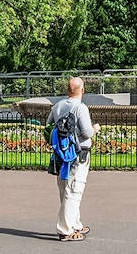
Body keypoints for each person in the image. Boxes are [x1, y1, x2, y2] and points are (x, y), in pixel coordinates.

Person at [51, 77, 99, 242]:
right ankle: (65, 229)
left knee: (65, 188)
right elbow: (87, 132)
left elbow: (49, 126)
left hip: (62, 154)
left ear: (67, 90)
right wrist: (95, 129)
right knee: (74, 190)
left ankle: (75, 223)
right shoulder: (81, 108)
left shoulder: (58, 106)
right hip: (79, 154)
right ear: (82, 90)